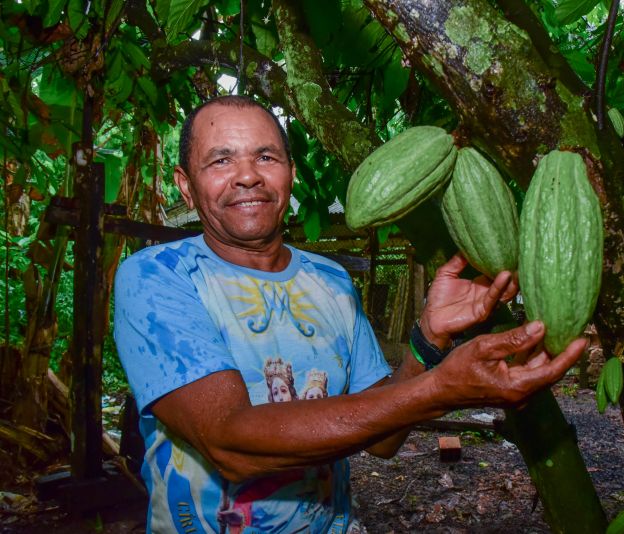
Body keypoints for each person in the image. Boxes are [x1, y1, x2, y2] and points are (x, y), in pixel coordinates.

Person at [113, 95, 587, 534]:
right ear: (186, 186)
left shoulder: (330, 279)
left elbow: (382, 439)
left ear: (290, 173)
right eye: (221, 160)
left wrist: (428, 341)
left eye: (265, 156)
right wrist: (440, 391)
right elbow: (231, 444)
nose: (247, 176)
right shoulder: (157, 278)